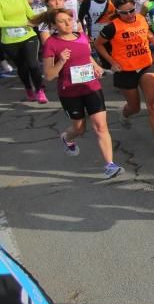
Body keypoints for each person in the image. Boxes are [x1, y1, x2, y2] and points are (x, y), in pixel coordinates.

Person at [38, 9, 121, 179]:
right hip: (70, 92)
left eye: (69, 19)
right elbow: (49, 75)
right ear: (54, 25)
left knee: (101, 126)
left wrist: (96, 66)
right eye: (62, 21)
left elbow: (87, 56)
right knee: (79, 128)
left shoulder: (81, 36)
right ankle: (67, 138)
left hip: (92, 87)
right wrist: (61, 60)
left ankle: (110, 165)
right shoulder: (51, 44)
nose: (68, 23)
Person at [95, 0, 154, 154]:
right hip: (125, 70)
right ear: (118, 12)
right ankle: (124, 113)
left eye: (132, 10)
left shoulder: (141, 19)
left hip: (145, 65)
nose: (130, 15)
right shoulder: (112, 27)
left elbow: (148, 33)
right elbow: (99, 45)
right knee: (135, 107)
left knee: (153, 104)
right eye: (124, 12)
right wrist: (112, 62)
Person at [0, 0, 47, 102]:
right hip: (10, 40)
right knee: (22, 66)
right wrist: (24, 22)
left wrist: (44, 16)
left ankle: (39, 90)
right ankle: (28, 88)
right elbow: (1, 22)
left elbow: (30, 14)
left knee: (33, 64)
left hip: (28, 36)